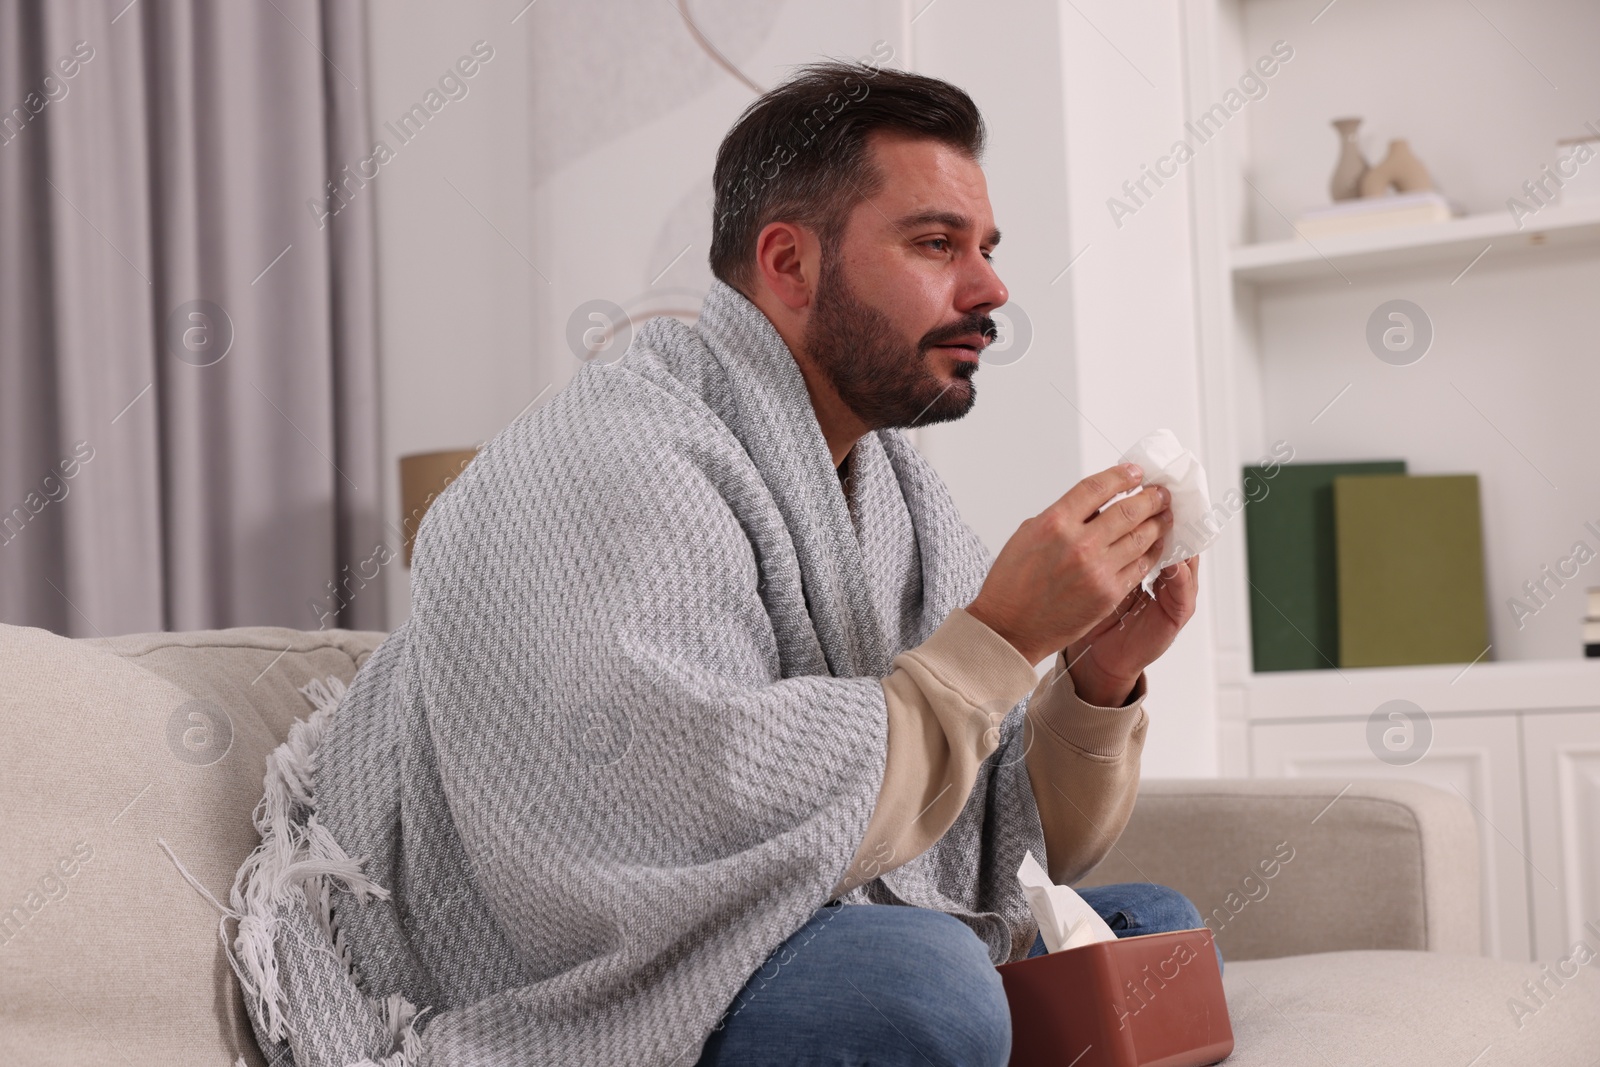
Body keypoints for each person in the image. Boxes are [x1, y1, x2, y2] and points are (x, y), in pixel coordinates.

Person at [225, 62, 1208, 1067]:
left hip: (805, 917)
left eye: (987, 249)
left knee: (1153, 929)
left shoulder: (896, 494)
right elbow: (669, 809)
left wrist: (1093, 680)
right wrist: (997, 639)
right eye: (935, 243)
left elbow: (982, 834)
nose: (990, 286)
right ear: (790, 264)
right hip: (581, 967)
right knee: (923, 987)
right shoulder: (611, 454)